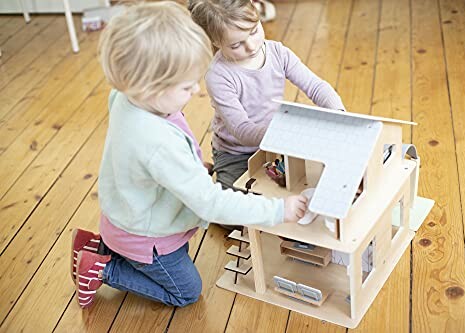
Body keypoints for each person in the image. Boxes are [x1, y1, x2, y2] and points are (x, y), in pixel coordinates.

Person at [71, 1, 307, 310]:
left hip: (123, 216)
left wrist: (190, 166)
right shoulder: (158, 143)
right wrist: (278, 211)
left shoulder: (124, 96)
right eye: (185, 86)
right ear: (151, 87)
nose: (197, 90)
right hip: (148, 238)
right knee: (187, 292)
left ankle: (98, 245)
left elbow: (137, 160)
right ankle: (102, 268)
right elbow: (211, 202)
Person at [188, 0, 346, 191]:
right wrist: (282, 133)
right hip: (236, 152)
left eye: (254, 32)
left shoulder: (278, 52)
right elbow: (242, 129)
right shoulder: (219, 76)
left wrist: (339, 113)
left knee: (302, 184)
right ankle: (207, 173)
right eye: (237, 44)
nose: (252, 46)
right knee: (237, 215)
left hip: (274, 141)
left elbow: (315, 86)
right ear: (216, 42)